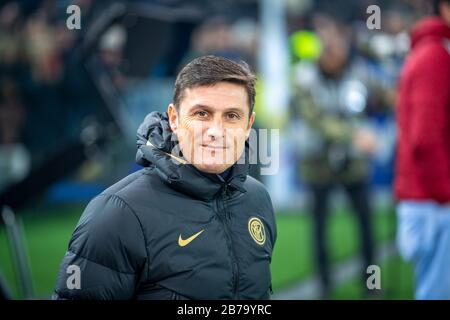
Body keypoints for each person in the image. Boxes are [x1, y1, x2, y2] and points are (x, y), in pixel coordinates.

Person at [52, 55, 276, 300]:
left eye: (232, 116)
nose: (216, 131)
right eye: (202, 113)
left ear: (248, 125)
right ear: (174, 118)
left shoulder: (257, 199)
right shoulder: (119, 213)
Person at [291, 17, 380, 298]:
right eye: (328, 49)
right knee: (320, 227)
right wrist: (353, 135)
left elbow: (382, 94)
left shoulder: (358, 70)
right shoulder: (303, 76)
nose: (334, 54)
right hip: (317, 162)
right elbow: (316, 120)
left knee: (366, 223)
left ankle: (371, 285)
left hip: (352, 162)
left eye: (338, 47)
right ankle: (325, 288)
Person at [395, 0, 450, 300]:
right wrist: (445, 192)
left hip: (429, 198)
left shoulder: (431, 51)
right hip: (433, 201)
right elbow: (424, 139)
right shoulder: (435, 56)